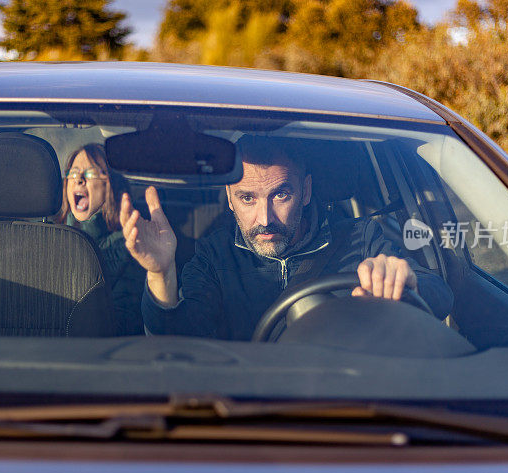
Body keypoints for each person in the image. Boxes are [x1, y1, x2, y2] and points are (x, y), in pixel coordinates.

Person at [119, 140, 454, 340]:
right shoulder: (214, 256)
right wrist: (161, 274)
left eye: (280, 195)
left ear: (305, 191)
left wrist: (405, 280)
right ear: (230, 198)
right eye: (247, 198)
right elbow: (179, 341)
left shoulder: (361, 237)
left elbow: (440, 295)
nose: (265, 219)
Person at [57, 144, 144, 335]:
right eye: (73, 173)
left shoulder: (133, 247)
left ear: (110, 185)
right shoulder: (47, 238)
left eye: (89, 174)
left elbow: (122, 325)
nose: (78, 179)